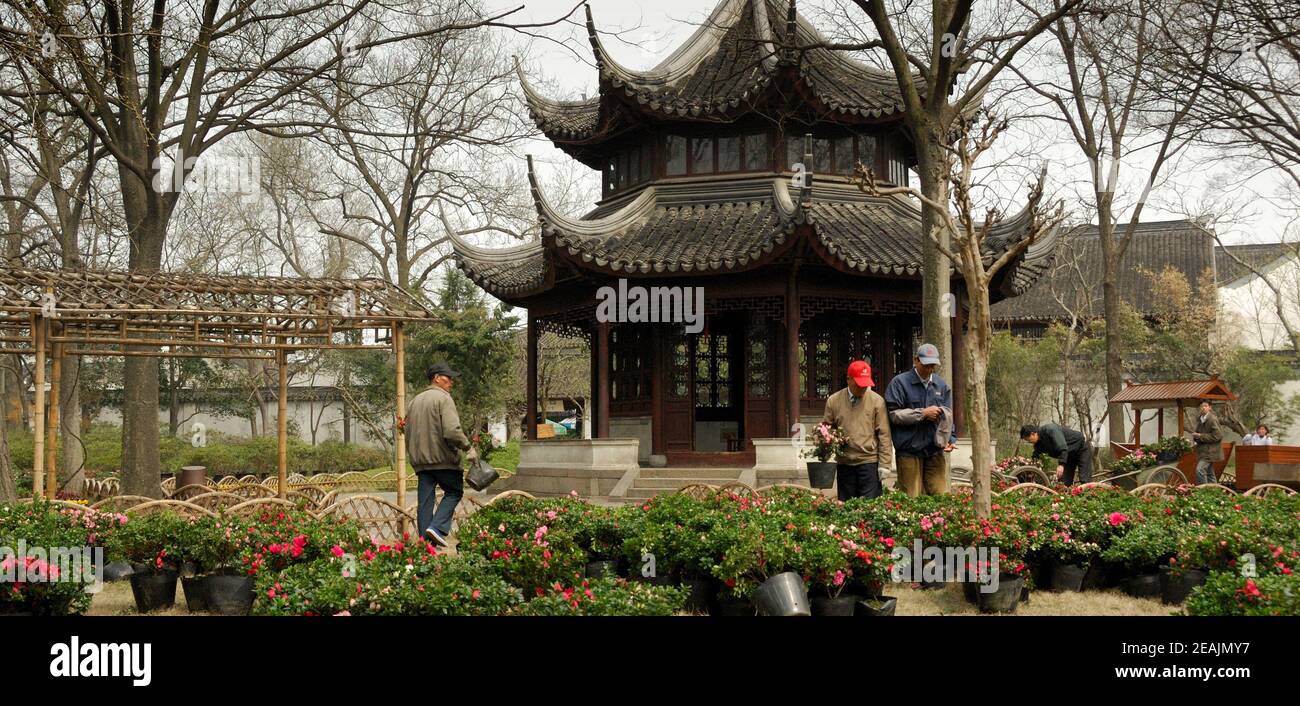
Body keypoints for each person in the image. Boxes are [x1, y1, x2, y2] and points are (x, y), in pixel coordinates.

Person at [404, 361, 476, 547]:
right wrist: (468, 447)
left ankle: (425, 546)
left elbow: (408, 432)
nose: (451, 382)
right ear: (436, 378)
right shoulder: (443, 398)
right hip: (443, 459)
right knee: (454, 491)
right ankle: (437, 528)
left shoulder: (414, 402)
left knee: (425, 503)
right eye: (448, 378)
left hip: (421, 462)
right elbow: (452, 431)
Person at [884, 343, 955, 497]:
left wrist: (951, 438)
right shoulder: (899, 383)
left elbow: (948, 415)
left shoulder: (941, 385)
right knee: (911, 497)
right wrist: (922, 414)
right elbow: (894, 415)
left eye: (932, 366)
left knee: (941, 496)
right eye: (926, 365)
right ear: (916, 361)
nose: (929, 369)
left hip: (934, 450)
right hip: (909, 450)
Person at [821, 360, 893, 500]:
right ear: (848, 379)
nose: (863, 388)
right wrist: (824, 444)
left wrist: (885, 464)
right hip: (845, 463)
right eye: (859, 384)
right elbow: (826, 428)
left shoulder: (877, 401)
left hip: (869, 462)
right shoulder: (833, 401)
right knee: (846, 507)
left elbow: (884, 434)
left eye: (866, 384)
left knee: (870, 508)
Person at [1019, 422, 1092, 484]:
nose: (1029, 442)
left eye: (1028, 439)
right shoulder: (1038, 444)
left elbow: (1063, 447)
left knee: (1084, 479)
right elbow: (1035, 458)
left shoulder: (1050, 430)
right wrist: (1026, 463)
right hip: (1069, 455)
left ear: (1033, 434)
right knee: (1063, 482)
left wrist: (1061, 465)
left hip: (1081, 448)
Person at [1192, 401, 1223, 484]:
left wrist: (1200, 436)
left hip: (1210, 452)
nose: (1203, 408)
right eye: (1201, 406)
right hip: (1203, 451)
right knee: (1210, 473)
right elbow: (1198, 434)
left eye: (1205, 406)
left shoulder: (1212, 419)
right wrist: (1196, 437)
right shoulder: (1200, 419)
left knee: (1200, 470)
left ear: (1210, 407)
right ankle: (1215, 492)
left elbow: (1218, 436)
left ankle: (1204, 491)